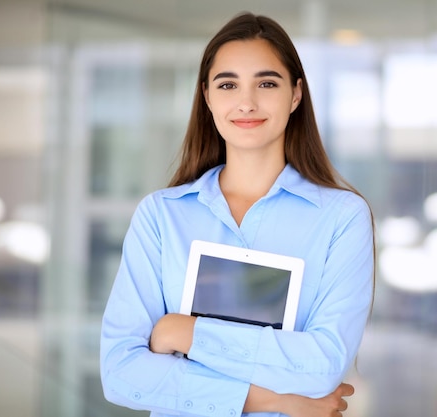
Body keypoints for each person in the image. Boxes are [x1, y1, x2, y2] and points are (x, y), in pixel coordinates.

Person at [100, 11, 374, 417]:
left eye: (267, 83)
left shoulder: (342, 217)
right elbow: (120, 372)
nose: (247, 102)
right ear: (207, 96)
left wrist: (188, 333)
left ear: (296, 95)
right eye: (228, 84)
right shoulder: (161, 216)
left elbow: (324, 364)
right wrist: (276, 398)